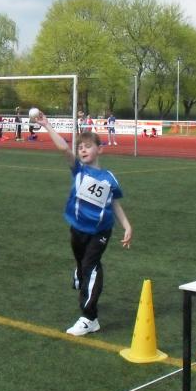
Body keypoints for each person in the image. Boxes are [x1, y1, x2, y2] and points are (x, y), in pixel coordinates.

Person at [34, 110, 133, 336]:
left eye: (88, 146)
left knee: (91, 266)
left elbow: (114, 203)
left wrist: (127, 225)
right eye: (80, 147)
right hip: (77, 228)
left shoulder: (109, 178)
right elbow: (64, 149)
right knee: (82, 266)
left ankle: (89, 318)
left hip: (100, 231)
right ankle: (80, 274)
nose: (83, 150)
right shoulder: (78, 170)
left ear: (100, 149)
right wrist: (47, 125)